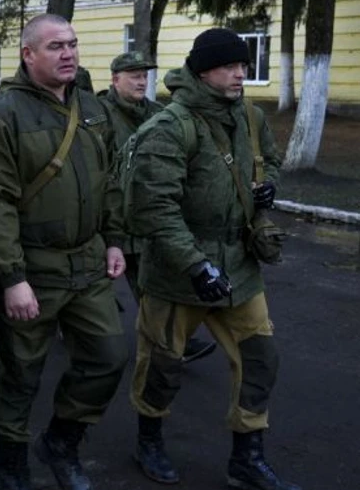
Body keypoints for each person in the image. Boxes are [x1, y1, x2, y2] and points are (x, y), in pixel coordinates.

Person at [125, 27, 299, 490]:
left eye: (244, 65)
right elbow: (154, 209)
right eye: (231, 66)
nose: (242, 73)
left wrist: (269, 187)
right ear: (203, 72)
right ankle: (150, 440)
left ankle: (247, 456)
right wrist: (196, 265)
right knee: (162, 362)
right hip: (178, 268)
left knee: (261, 357)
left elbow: (270, 160)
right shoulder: (168, 127)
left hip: (240, 265)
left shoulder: (248, 116)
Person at [0, 14, 128, 490]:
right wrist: (12, 277)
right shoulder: (4, 115)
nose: (69, 54)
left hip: (87, 261)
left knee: (108, 356)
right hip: (33, 268)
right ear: (28, 54)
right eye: (56, 46)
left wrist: (116, 238)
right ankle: (12, 460)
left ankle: (61, 440)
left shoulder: (93, 108)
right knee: (20, 371)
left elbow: (112, 181)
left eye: (73, 45)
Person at [101, 51, 218, 364]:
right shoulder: (100, 114)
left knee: (151, 285)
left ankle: (172, 341)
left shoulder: (158, 112)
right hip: (110, 215)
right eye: (134, 75)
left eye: (144, 75)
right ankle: (80, 332)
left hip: (147, 215)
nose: (141, 81)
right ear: (115, 79)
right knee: (96, 283)